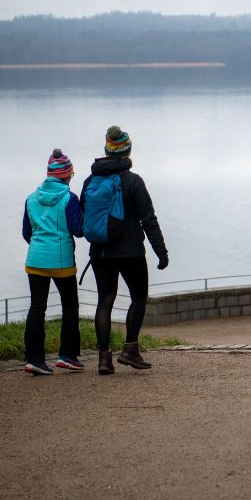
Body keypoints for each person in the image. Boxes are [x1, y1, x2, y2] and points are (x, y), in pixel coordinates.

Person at [81, 126, 169, 375]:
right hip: (130, 252)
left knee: (105, 300)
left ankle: (104, 359)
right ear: (127, 151)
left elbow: (84, 215)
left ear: (107, 151)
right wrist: (161, 252)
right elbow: (149, 219)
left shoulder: (90, 181)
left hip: (100, 252)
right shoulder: (133, 181)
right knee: (138, 297)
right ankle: (130, 350)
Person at [21, 149, 84, 375]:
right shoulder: (69, 198)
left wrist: (41, 245)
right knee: (70, 305)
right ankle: (68, 355)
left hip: (35, 259)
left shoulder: (31, 198)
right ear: (66, 175)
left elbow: (26, 232)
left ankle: (34, 359)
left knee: (37, 307)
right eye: (71, 174)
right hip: (61, 261)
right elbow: (78, 230)